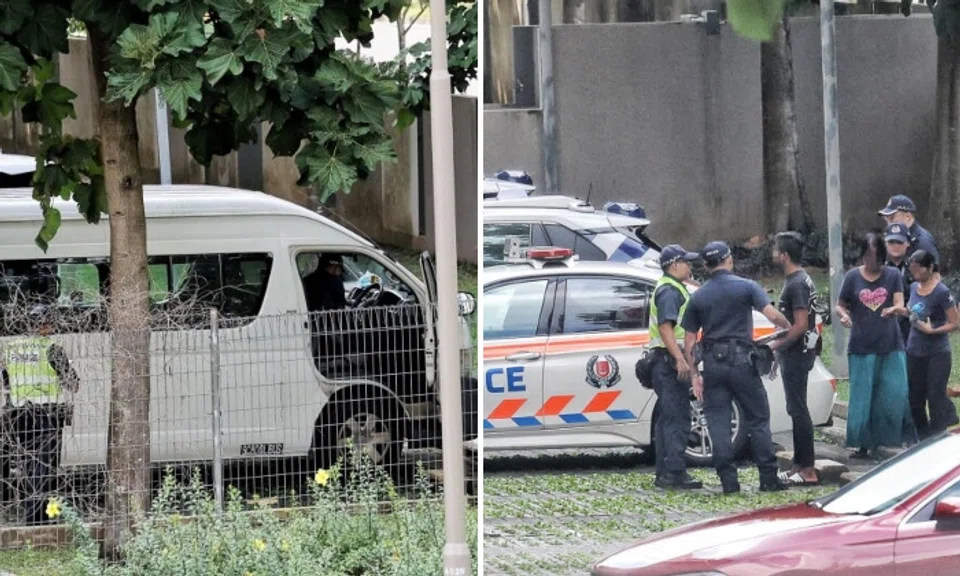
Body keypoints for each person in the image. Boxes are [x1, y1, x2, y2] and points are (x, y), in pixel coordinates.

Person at [681, 241, 792, 494]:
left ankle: (728, 482)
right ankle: (768, 478)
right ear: (729, 260)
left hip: (713, 365)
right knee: (758, 419)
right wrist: (787, 327)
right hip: (743, 363)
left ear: (707, 266)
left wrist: (695, 375)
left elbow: (689, 342)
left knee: (718, 422)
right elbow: (773, 316)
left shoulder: (699, 296)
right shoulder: (747, 287)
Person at [0, 305, 79, 525]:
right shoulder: (52, 348)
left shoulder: (11, 348)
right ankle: (39, 519)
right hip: (46, 415)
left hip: (17, 415)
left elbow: (6, 381)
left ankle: (31, 514)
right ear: (46, 325)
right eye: (51, 323)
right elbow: (73, 384)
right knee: (44, 467)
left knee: (26, 466)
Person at [836, 232, 910, 459]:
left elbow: (900, 302)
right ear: (862, 256)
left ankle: (889, 438)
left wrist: (894, 310)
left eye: (877, 257)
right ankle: (861, 443)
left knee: (892, 392)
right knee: (862, 394)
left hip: (890, 342)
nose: (873, 262)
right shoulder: (851, 277)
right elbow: (840, 305)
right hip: (861, 344)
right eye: (868, 257)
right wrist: (844, 316)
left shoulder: (893, 275)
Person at [888, 250, 960, 439]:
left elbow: (955, 323)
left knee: (935, 399)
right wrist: (899, 310)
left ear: (929, 268)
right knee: (915, 399)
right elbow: (914, 313)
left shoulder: (942, 292)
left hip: (937, 353)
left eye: (919, 270)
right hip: (914, 351)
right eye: (913, 270)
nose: (915, 274)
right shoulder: (913, 288)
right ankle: (924, 438)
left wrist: (932, 330)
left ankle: (938, 437)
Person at [648, 245, 702, 490]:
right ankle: (674, 474)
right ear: (674, 265)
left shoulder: (672, 286)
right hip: (670, 362)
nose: (689, 267)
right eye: (686, 262)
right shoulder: (670, 290)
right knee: (677, 419)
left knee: (667, 418)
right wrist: (680, 359)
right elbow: (665, 327)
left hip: (664, 361)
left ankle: (666, 472)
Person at [768, 232, 820, 487]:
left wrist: (777, 344)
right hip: (795, 353)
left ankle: (808, 469)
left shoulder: (797, 283)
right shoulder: (798, 279)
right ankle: (799, 465)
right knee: (795, 408)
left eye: (776, 249)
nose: (773, 253)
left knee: (799, 409)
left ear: (784, 255)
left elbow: (800, 325)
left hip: (798, 354)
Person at [878, 194, 940, 266]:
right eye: (886, 219)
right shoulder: (893, 238)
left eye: (892, 218)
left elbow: (932, 274)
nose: (889, 224)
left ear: (907, 217)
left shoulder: (922, 242)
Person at [884, 223, 913, 345]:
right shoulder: (877, 270)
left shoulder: (916, 269)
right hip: (883, 328)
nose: (895, 246)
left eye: (900, 242)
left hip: (910, 329)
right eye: (891, 242)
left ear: (908, 243)